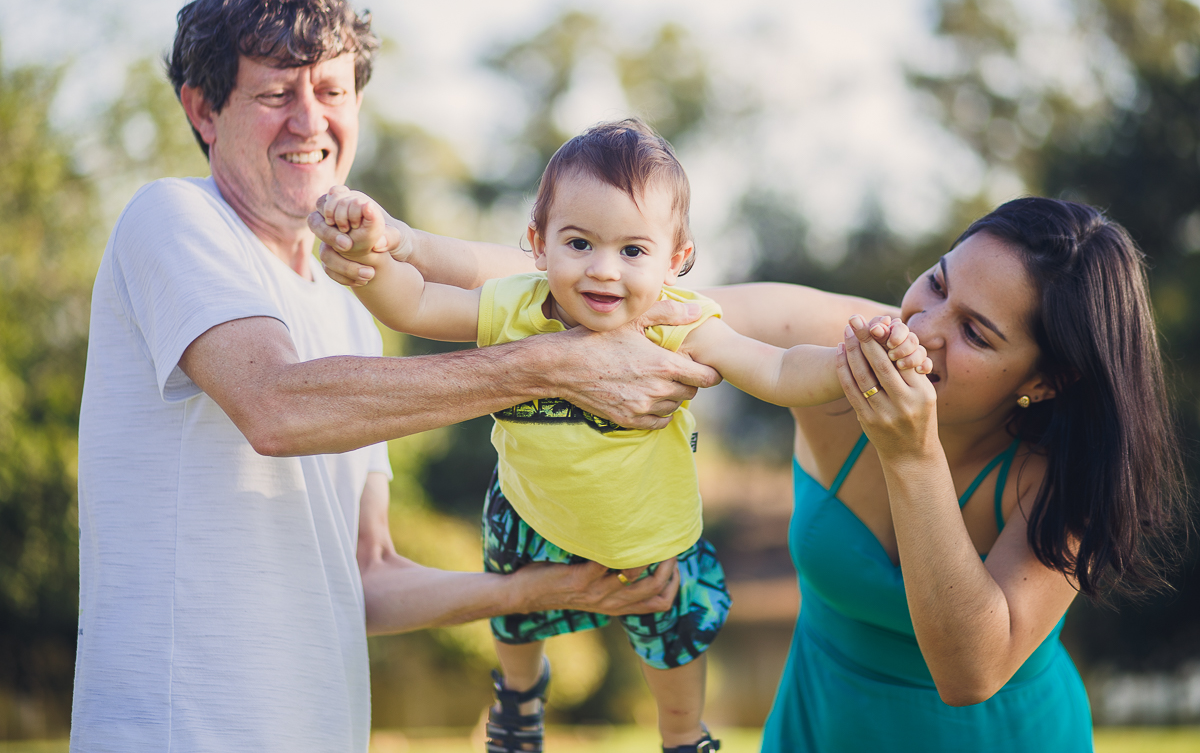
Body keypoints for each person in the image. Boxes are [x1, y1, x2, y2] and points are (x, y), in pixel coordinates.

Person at [72, 0, 721, 753]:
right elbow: (276, 406)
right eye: (277, 92)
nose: (310, 120)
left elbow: (368, 579)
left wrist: (551, 589)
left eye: (334, 91)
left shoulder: (350, 303)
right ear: (203, 109)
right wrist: (556, 362)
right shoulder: (173, 217)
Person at [314, 197, 1186, 752]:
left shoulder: (1058, 475)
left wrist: (910, 452)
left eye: (976, 334)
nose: (920, 328)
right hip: (816, 731)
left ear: (1045, 380)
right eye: (935, 283)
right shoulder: (836, 345)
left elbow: (970, 669)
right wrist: (407, 246)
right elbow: (617, 290)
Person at [315, 118, 932, 753]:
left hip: (649, 538)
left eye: (633, 251)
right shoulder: (513, 309)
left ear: (677, 259)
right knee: (514, 612)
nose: (603, 272)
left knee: (675, 636)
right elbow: (413, 304)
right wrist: (372, 260)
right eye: (579, 244)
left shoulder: (679, 324)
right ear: (537, 241)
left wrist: (845, 364)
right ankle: (519, 699)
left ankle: (683, 735)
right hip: (534, 513)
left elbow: (774, 369)